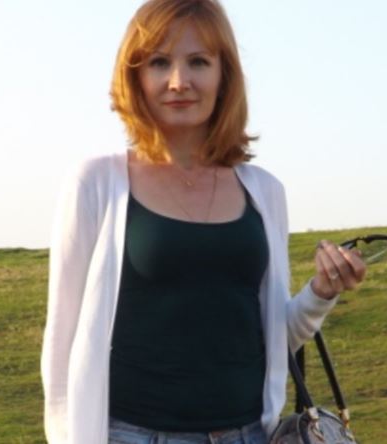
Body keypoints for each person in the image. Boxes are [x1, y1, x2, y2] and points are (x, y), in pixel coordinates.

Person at [40, 1, 366, 443]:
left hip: (247, 434)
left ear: (223, 75)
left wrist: (321, 293)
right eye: (160, 62)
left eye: (198, 62)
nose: (179, 81)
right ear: (135, 76)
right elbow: (62, 345)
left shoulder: (264, 192)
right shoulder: (96, 183)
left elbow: (272, 343)